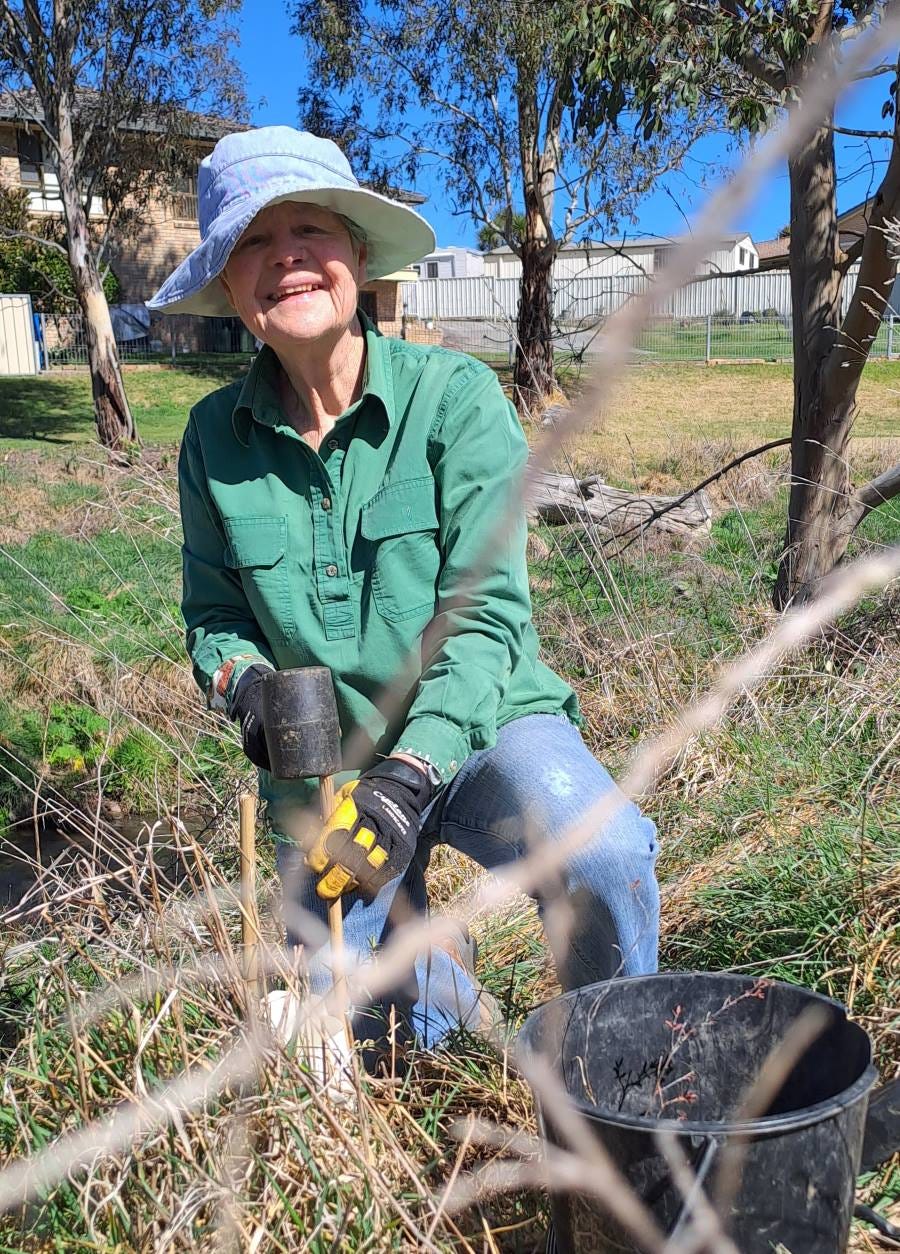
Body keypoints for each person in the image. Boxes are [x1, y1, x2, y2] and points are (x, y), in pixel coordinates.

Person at [149, 126, 659, 1060]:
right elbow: (213, 617)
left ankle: (615, 1078)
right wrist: (245, 685)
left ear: (355, 255)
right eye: (254, 243)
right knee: (382, 1039)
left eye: (310, 230)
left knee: (604, 855)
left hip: (482, 727)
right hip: (329, 769)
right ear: (231, 288)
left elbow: (488, 614)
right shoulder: (210, 439)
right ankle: (442, 985)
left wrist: (411, 774)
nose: (287, 258)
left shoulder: (454, 398)